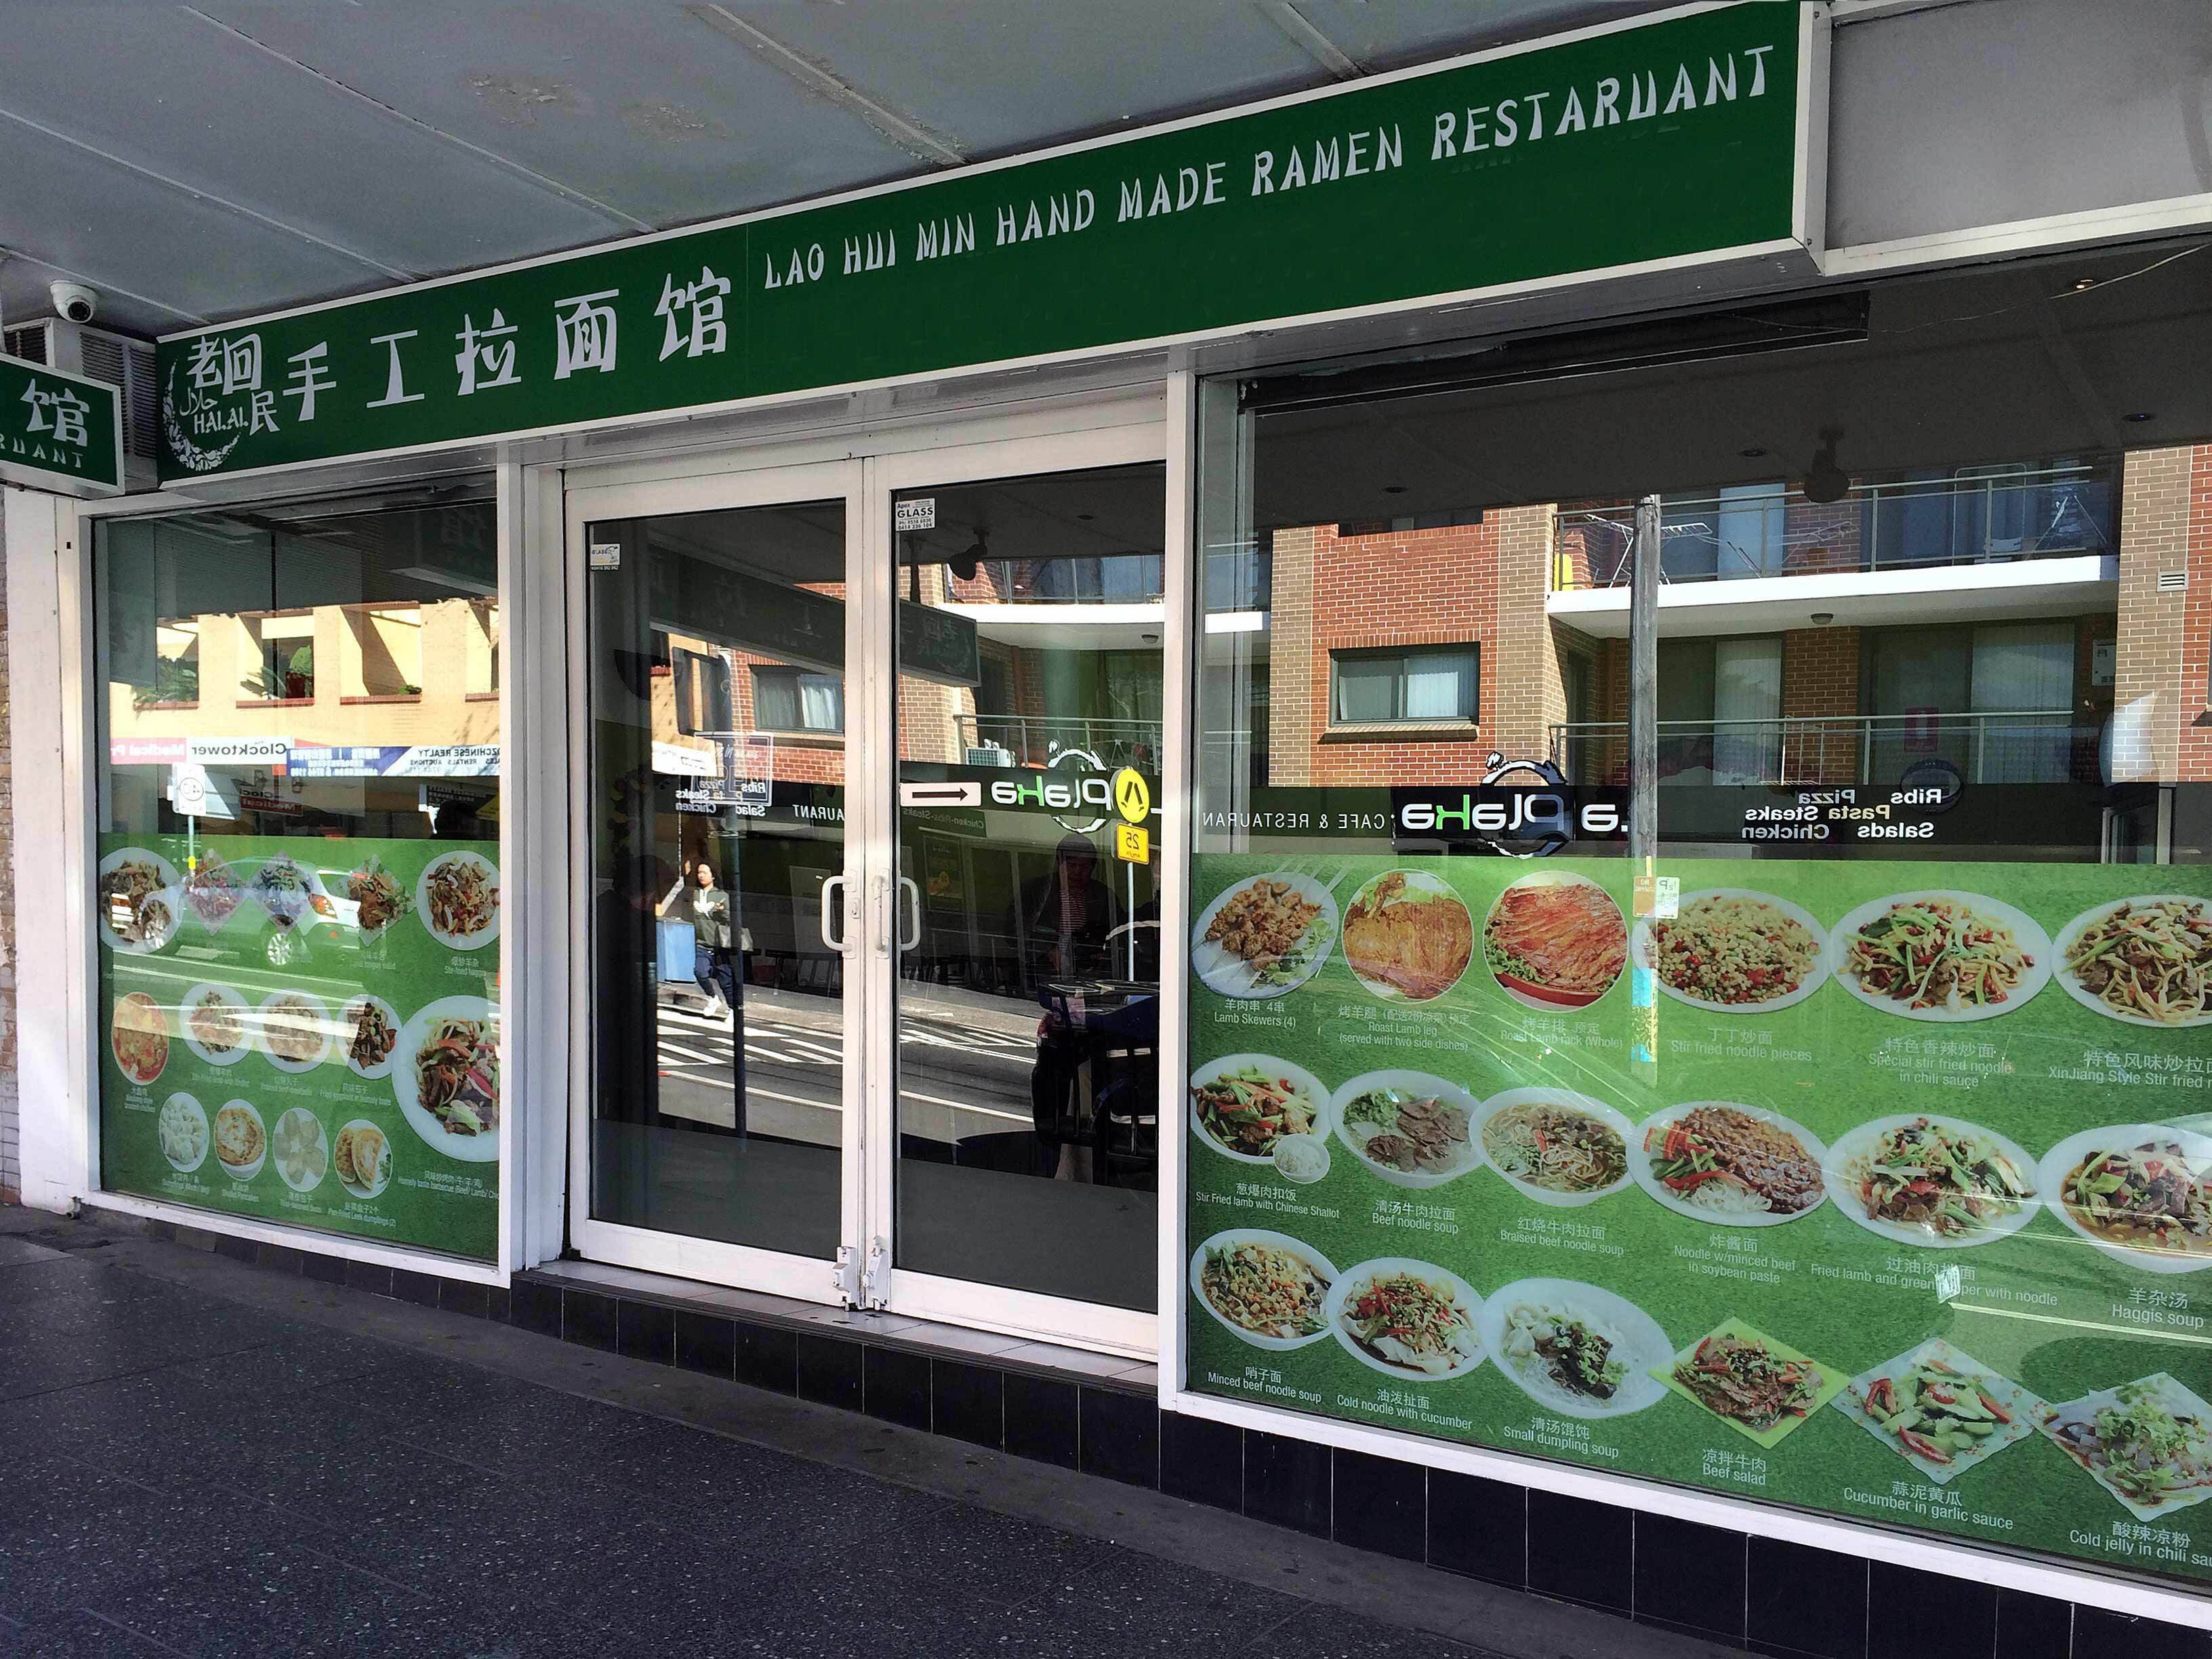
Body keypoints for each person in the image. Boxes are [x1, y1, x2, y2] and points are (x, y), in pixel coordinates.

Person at [662, 859, 739, 1020]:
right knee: (699, 971)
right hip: (702, 944)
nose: (701, 875)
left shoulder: (721, 895)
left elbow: (729, 920)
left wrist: (722, 912)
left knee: (725, 980)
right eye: (699, 873)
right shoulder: (696, 894)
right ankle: (713, 998)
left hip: (719, 945)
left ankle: (732, 1009)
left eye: (705, 872)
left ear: (713, 875)